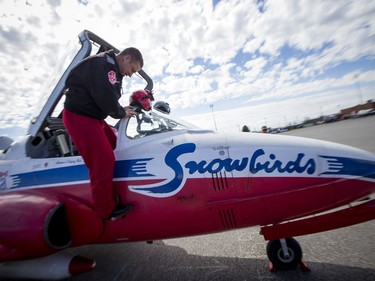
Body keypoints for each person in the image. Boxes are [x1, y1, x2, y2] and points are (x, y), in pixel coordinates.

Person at [63, 47, 143, 221]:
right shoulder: (101, 65)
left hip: (94, 118)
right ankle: (106, 211)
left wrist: (120, 110)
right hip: (79, 117)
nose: (131, 74)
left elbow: (108, 97)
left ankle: (120, 191)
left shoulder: (112, 69)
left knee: (117, 146)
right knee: (103, 159)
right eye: (132, 69)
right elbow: (105, 97)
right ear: (126, 58)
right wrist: (120, 113)